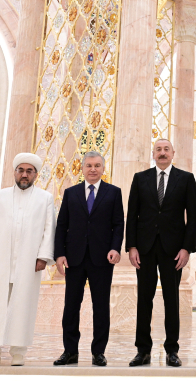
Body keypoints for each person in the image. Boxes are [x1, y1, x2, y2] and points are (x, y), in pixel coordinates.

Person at [0, 152, 55, 366]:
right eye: (21, 170)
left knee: (23, 304)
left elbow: (49, 230)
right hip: (0, 260)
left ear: (36, 174)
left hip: (29, 262)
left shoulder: (45, 198)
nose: (25, 175)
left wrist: (44, 257)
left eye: (29, 171)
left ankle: (18, 352)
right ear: (15, 172)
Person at [125, 138, 196, 367]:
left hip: (173, 250)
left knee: (171, 299)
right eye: (159, 149)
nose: (163, 153)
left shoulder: (186, 179)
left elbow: (193, 217)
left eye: (166, 149)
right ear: (153, 154)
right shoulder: (140, 179)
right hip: (145, 249)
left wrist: (187, 248)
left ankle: (172, 350)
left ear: (173, 153)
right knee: (144, 300)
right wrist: (132, 247)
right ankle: (142, 350)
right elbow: (132, 214)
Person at [53, 152, 124, 367]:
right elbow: (62, 225)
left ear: (104, 168)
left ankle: (98, 352)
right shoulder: (71, 193)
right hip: (74, 258)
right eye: (89, 165)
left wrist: (115, 248)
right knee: (71, 305)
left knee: (100, 306)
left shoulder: (113, 193)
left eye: (97, 165)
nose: (93, 169)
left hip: (102, 258)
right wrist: (59, 253)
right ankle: (70, 351)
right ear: (82, 169)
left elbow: (118, 224)